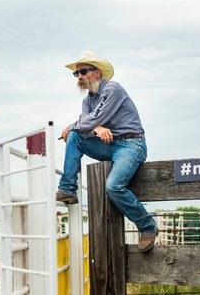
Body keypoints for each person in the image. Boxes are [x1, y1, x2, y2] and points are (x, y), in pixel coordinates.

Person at [56, 50, 158, 252]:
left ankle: (147, 227)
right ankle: (68, 189)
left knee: (113, 186)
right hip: (110, 145)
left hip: (131, 144)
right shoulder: (87, 101)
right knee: (76, 137)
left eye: (83, 72)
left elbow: (90, 120)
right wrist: (97, 128)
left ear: (97, 73)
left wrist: (73, 126)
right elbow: (88, 122)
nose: (79, 77)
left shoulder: (113, 89)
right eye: (76, 74)